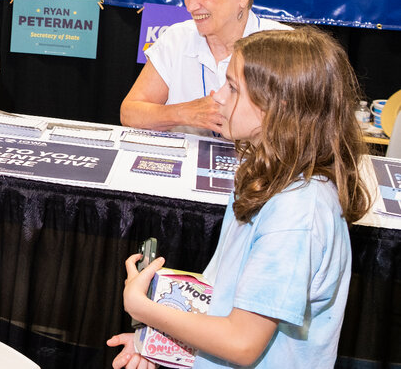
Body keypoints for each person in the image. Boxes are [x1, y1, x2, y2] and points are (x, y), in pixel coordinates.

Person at [108, 27, 372, 369]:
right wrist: (160, 338)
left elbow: (242, 343)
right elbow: (226, 301)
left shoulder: (297, 212)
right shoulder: (265, 176)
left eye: (232, 87)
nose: (217, 96)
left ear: (278, 107)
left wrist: (142, 306)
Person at [120, 0, 290, 135]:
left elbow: (305, 133)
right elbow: (130, 113)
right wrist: (183, 113)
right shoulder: (177, 38)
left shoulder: (284, 49)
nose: (191, 6)